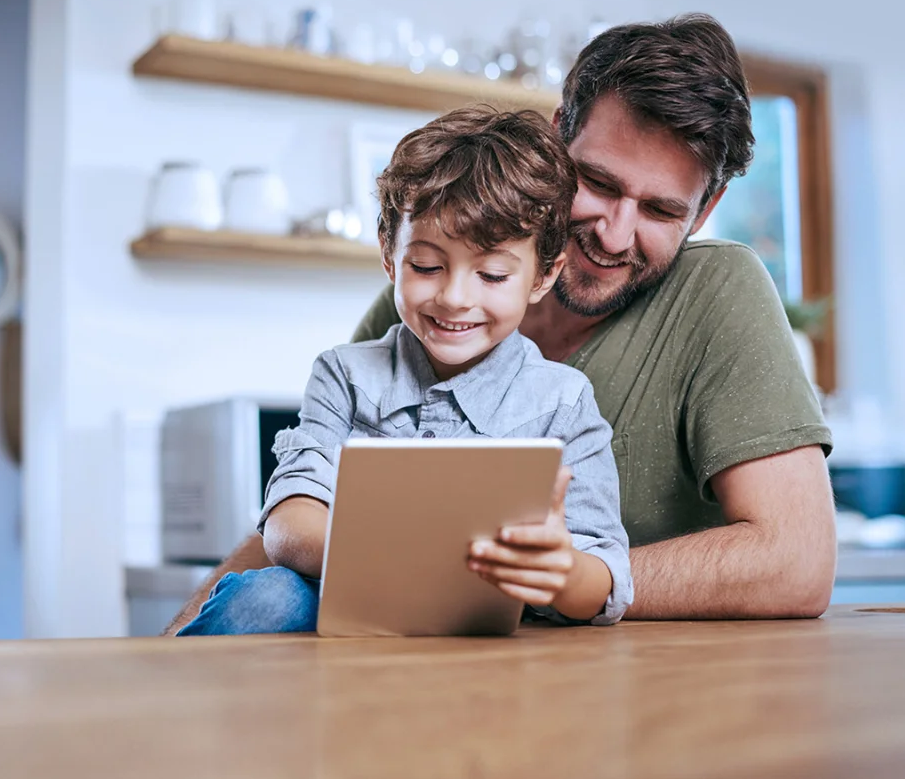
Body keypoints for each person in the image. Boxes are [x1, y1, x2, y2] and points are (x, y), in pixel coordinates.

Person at [166, 13, 834, 633]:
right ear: (553, 142)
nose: (613, 231)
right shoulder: (421, 312)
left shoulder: (716, 292)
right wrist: (167, 649)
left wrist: (543, 579)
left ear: (706, 207)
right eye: (597, 182)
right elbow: (307, 503)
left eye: (660, 210)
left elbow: (796, 563)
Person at [178, 107, 631, 635]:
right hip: (347, 617)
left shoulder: (563, 402)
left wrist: (563, 572)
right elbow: (287, 524)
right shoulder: (344, 376)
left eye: (491, 274)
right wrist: (412, 555)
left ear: (542, 276)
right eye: (427, 267)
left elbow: (604, 580)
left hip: (494, 640)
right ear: (390, 257)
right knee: (268, 597)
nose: (454, 297)